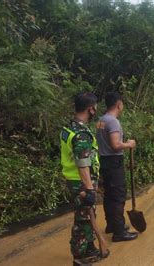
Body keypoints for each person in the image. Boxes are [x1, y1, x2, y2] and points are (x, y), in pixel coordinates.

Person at [59, 92, 109, 264]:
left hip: (75, 180)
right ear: (91, 109)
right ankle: (80, 255)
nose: (95, 110)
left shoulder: (69, 128)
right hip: (81, 183)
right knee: (83, 219)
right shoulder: (81, 134)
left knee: (88, 215)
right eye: (95, 107)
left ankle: (89, 247)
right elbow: (82, 163)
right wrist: (88, 189)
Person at [96, 92, 138, 242]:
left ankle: (112, 225)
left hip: (104, 161)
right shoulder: (113, 122)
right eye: (122, 104)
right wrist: (129, 144)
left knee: (109, 194)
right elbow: (115, 145)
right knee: (119, 196)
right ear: (118, 104)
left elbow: (104, 141)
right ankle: (119, 232)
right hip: (114, 162)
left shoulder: (101, 120)